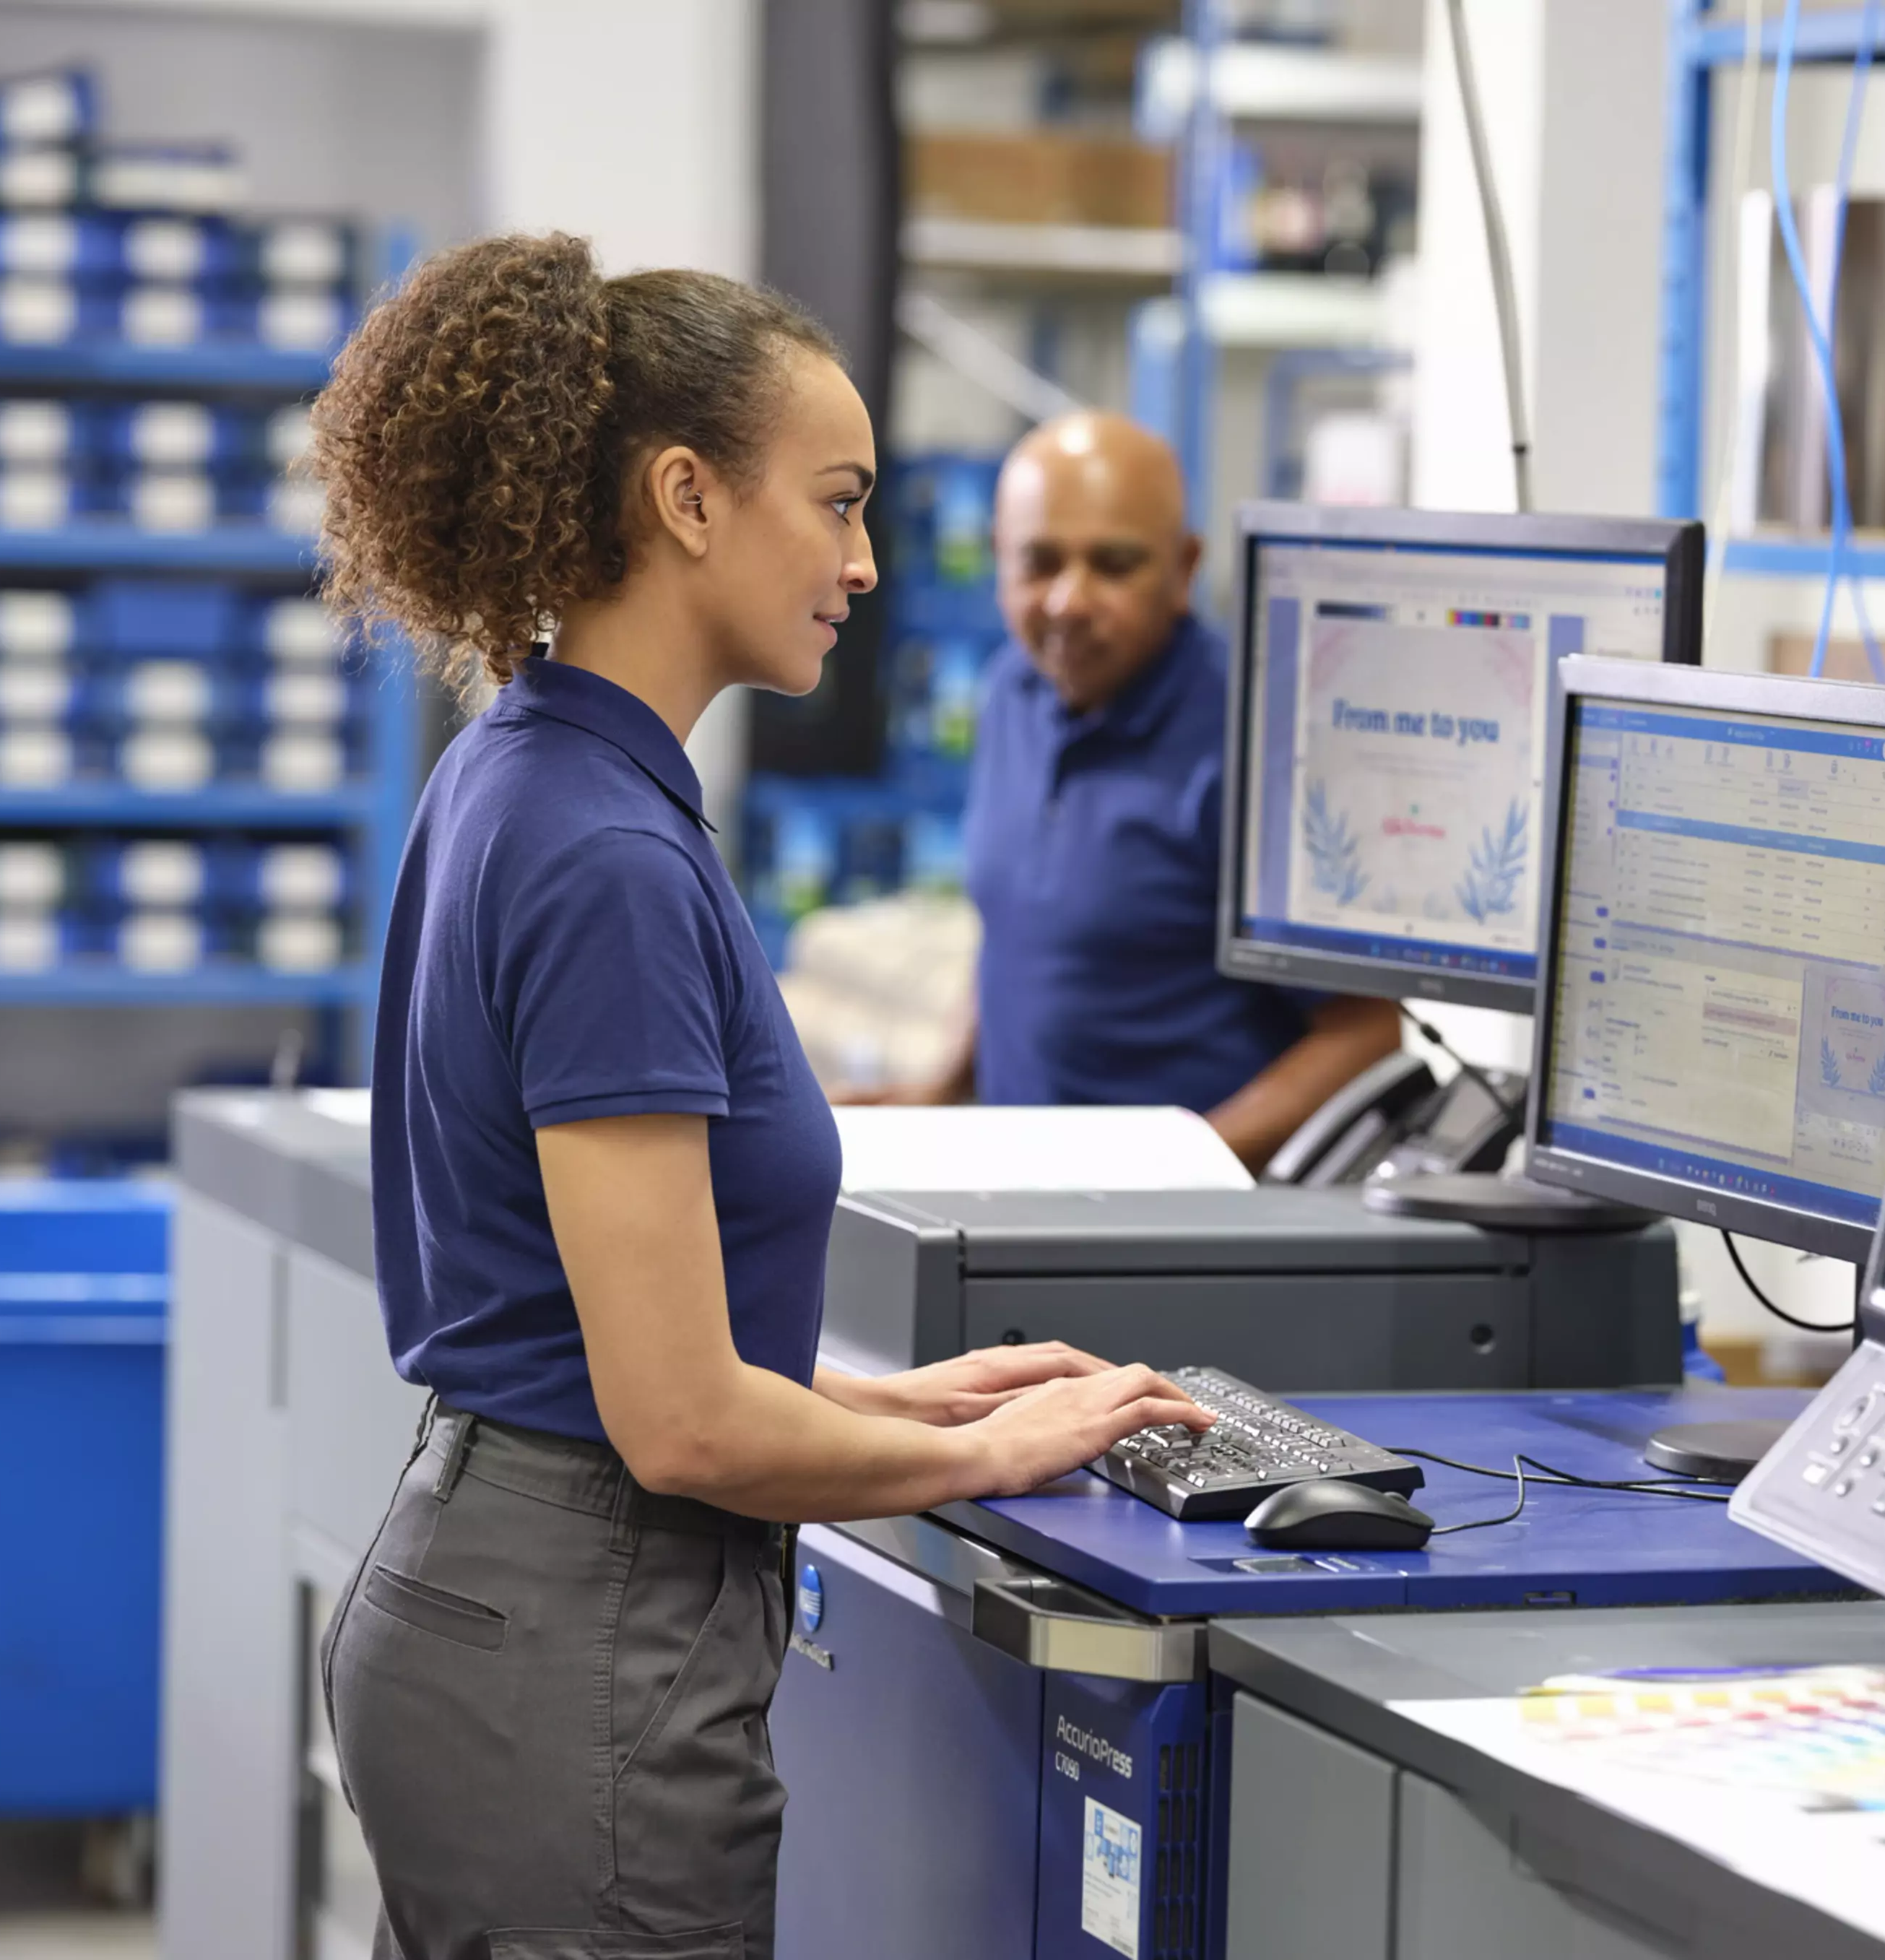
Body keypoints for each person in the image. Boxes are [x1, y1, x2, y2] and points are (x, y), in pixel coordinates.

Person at [309, 233, 1210, 1960]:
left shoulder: (531, 766)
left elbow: (622, 1351)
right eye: (841, 501)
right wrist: (998, 1452)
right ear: (686, 498)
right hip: (584, 1645)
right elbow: (681, 1423)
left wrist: (922, 1408)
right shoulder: (603, 853)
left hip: (507, 1598)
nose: (868, 563)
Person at [867, 412, 1400, 1167]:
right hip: (1022, 1199)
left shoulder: (1263, 744)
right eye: (1039, 562)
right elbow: (1018, 933)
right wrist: (942, 1085)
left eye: (1114, 565)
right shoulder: (1010, 695)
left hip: (1172, 1243)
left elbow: (1367, 1034)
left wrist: (1183, 1166)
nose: (1068, 601)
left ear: (1184, 570)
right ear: (998, 562)